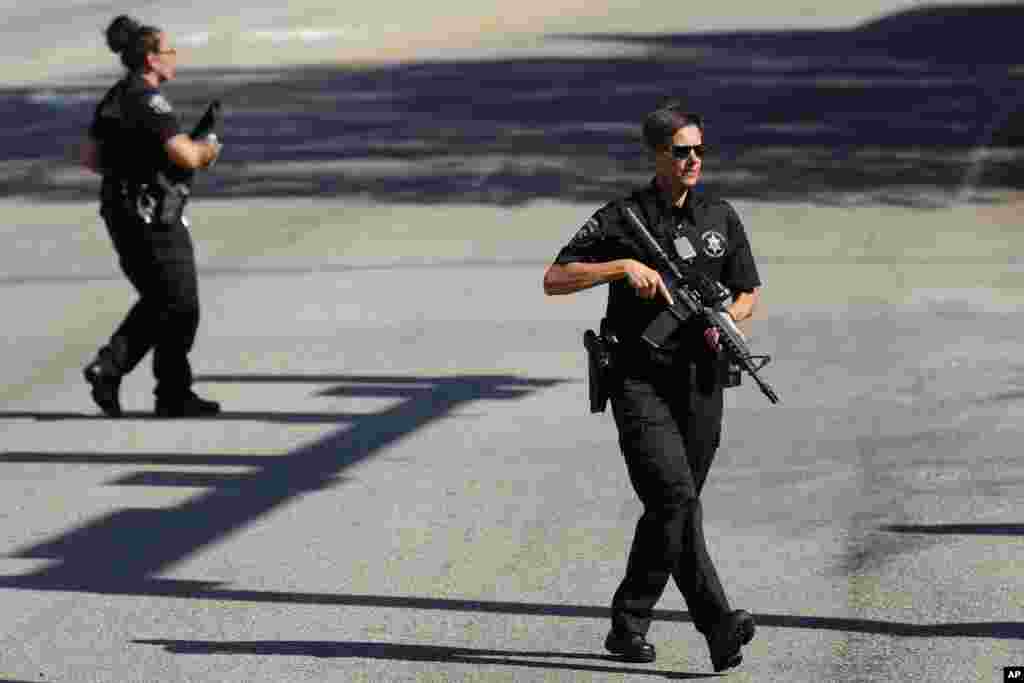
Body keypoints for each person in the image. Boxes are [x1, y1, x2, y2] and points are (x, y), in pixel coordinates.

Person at [542, 100, 762, 672]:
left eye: (698, 150)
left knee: (672, 509)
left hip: (702, 380)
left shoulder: (720, 216)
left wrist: (729, 322)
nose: (693, 160)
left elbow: (747, 290)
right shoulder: (624, 218)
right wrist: (619, 269)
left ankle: (628, 622)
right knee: (674, 499)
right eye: (680, 151)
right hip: (637, 379)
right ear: (657, 156)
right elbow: (555, 277)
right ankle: (720, 624)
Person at [80, 15, 223, 418]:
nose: (174, 57)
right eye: (168, 51)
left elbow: (90, 159)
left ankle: (115, 372)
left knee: (163, 299)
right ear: (150, 60)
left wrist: (135, 163)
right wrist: (208, 148)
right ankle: (163, 389)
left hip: (119, 211)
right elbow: (186, 155)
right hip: (152, 215)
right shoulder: (150, 101)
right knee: (180, 303)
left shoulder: (114, 97)